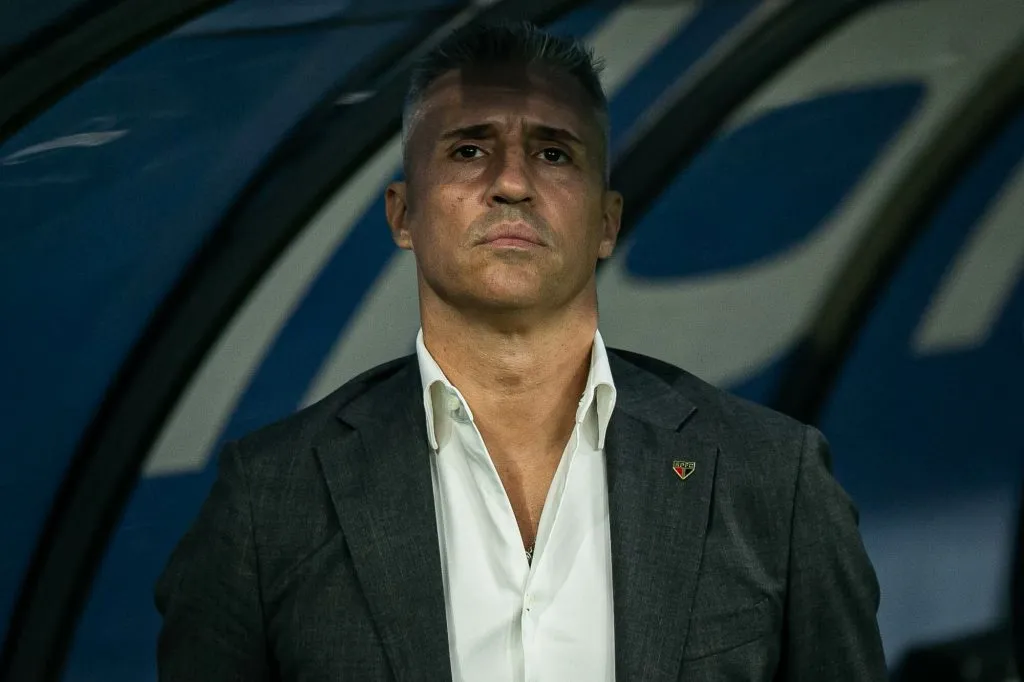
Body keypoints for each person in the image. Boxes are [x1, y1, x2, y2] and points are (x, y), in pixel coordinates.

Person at [155, 20, 888, 682]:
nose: (511, 183)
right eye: (469, 149)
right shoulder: (268, 500)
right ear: (402, 213)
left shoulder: (772, 480)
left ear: (606, 222)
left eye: (553, 152)